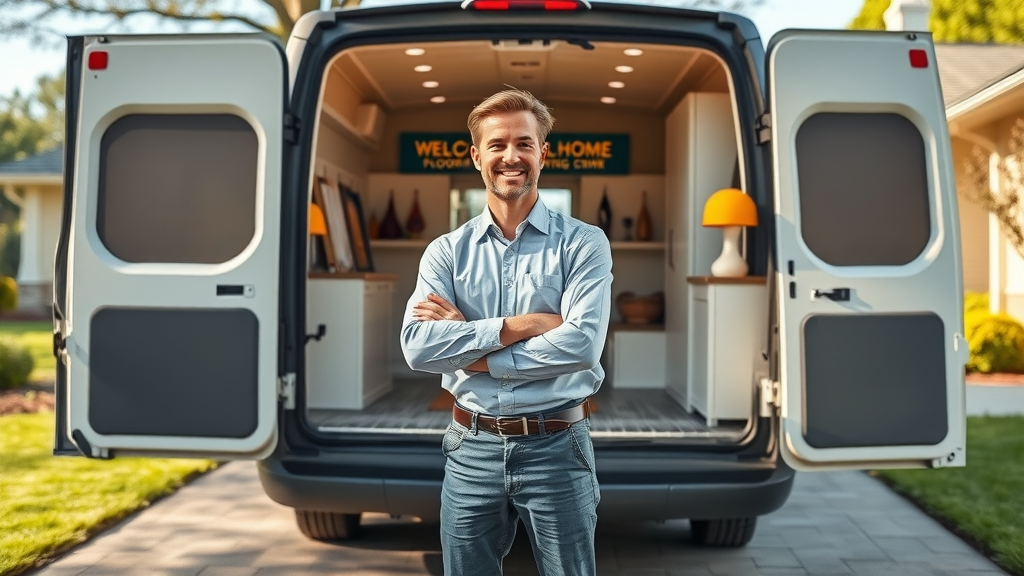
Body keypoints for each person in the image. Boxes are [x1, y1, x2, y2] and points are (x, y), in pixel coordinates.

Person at [400, 89, 613, 576]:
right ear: (476, 155)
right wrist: (525, 326)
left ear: (544, 152)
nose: (510, 157)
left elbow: (581, 344)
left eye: (524, 143)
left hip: (557, 445)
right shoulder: (445, 253)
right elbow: (417, 346)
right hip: (470, 446)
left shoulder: (584, 243)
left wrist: (469, 350)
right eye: (497, 145)